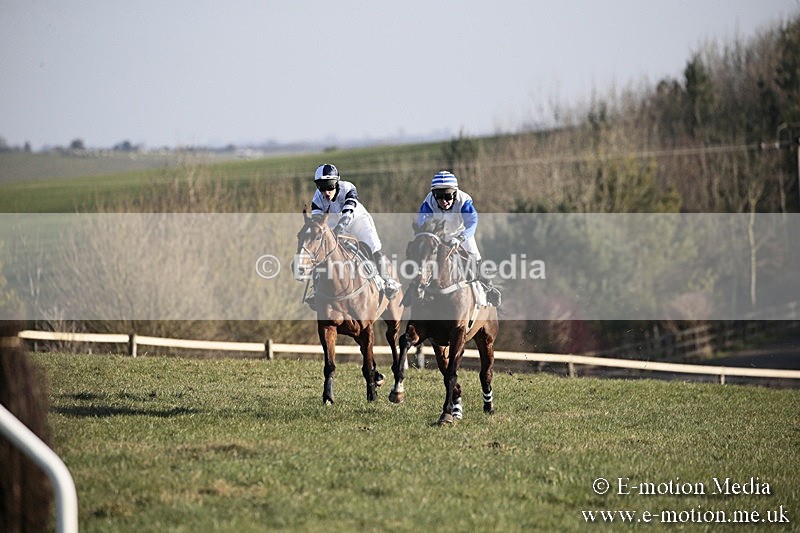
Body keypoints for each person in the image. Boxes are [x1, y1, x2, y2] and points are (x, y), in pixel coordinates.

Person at [308, 163, 400, 300]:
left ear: (337, 182)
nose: (326, 192)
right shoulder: (317, 198)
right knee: (322, 249)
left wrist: (339, 228)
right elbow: (317, 221)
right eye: (321, 187)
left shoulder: (348, 188)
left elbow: (348, 213)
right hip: (333, 223)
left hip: (357, 220)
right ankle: (316, 288)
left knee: (373, 245)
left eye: (330, 186)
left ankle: (388, 281)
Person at [416, 170, 501, 306]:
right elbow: (422, 223)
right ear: (434, 195)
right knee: (422, 257)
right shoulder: (428, 203)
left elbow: (472, 222)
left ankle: (489, 289)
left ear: (455, 194)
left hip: (461, 234)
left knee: (475, 258)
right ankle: (413, 288)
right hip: (438, 236)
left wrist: (461, 238)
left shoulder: (464, 201)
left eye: (448, 196)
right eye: (439, 196)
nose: (444, 201)